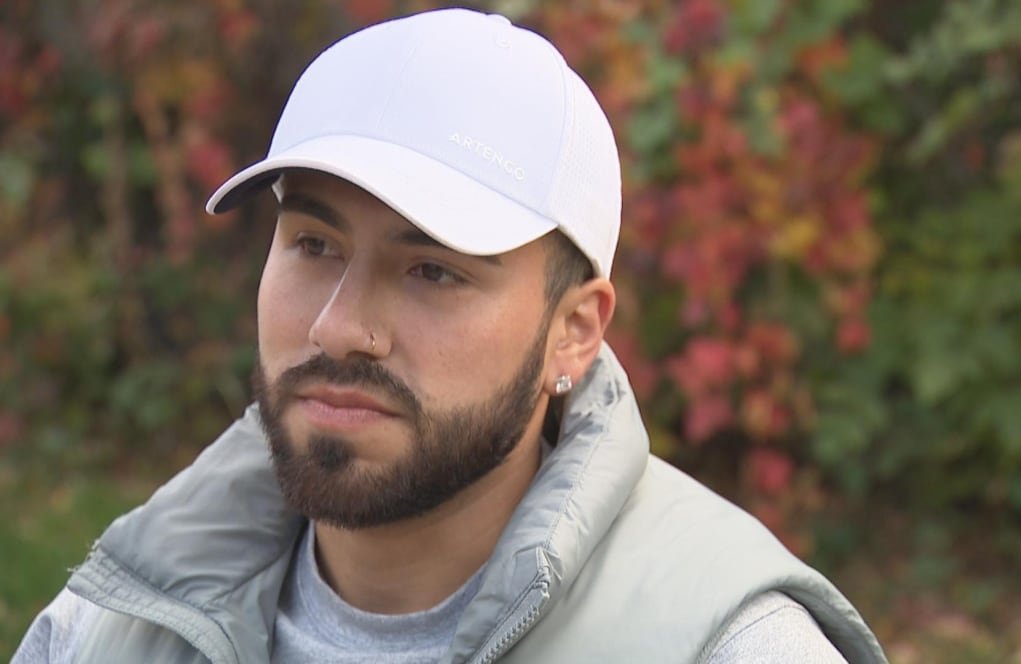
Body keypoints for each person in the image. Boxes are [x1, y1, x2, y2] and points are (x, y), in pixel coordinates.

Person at [15, 8, 886, 663]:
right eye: (314, 246)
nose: (339, 327)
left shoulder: (725, 646)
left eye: (432, 271)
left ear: (573, 332)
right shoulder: (115, 623)